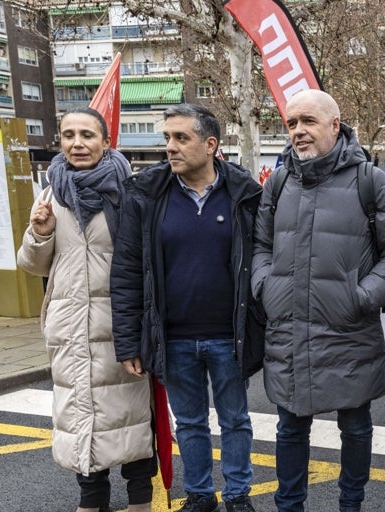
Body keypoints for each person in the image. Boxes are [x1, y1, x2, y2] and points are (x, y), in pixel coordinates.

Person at [252, 89, 385, 512]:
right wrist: (266, 286)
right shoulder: (282, 180)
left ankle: (351, 506)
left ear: (334, 125)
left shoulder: (369, 180)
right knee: (290, 428)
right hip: (289, 327)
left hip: (348, 329)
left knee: (356, 428)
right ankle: (289, 506)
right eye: (291, 123)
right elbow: (261, 245)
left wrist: (362, 296)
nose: (298, 131)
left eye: (308, 121)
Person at [111, 104, 262, 512]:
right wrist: (128, 342)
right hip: (172, 337)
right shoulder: (147, 195)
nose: (170, 147)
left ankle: (237, 495)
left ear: (211, 144)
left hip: (229, 334)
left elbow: (262, 262)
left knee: (235, 420)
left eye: (181, 138)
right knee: (190, 423)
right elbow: (126, 271)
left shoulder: (244, 194)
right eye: (167, 138)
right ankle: (199, 495)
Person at [17, 107, 156, 512]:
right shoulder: (50, 194)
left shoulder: (130, 193)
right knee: (81, 416)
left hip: (119, 325)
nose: (77, 143)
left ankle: (140, 502)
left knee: (131, 417)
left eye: (87, 135)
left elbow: (145, 262)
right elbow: (32, 265)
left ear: (106, 142)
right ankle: (91, 501)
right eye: (69, 135)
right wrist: (39, 235)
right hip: (70, 328)